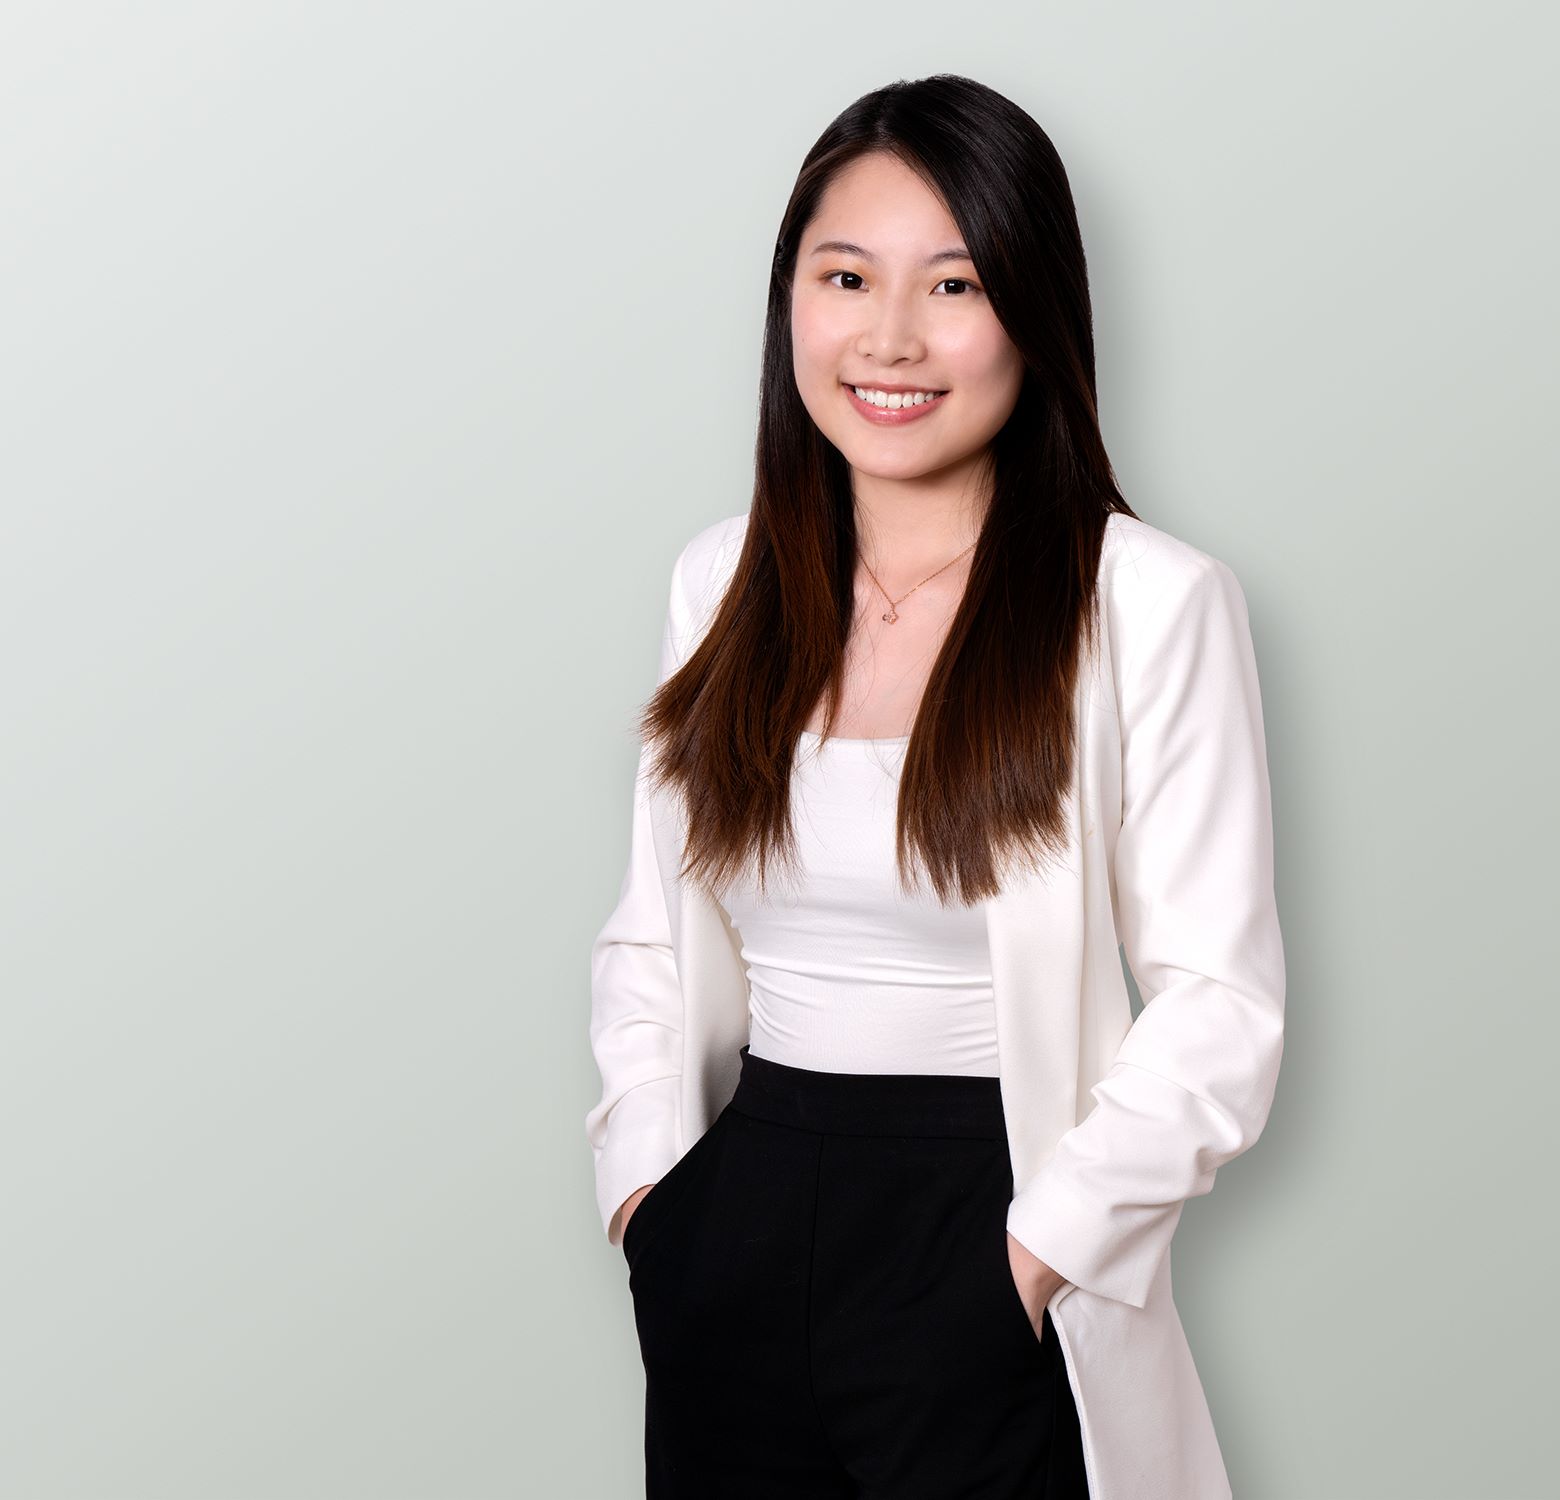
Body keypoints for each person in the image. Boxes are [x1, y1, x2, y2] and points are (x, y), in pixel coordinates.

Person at [585, 73, 1284, 1500]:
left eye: (954, 284)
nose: (890, 338)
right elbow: (651, 937)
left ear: (1035, 309)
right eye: (846, 277)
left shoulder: (1147, 603)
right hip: (736, 1230)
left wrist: (1028, 1263)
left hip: (987, 1229)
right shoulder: (721, 582)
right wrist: (651, 1205)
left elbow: (1222, 1007)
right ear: (790, 300)